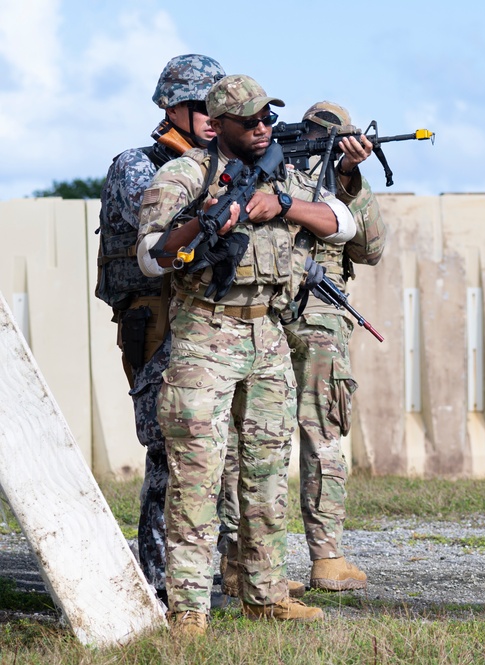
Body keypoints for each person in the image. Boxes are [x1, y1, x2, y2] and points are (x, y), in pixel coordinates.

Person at [136, 74, 357, 636]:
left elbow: (342, 223)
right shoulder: (182, 176)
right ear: (220, 126)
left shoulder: (284, 173)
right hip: (205, 337)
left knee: (264, 474)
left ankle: (265, 594)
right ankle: (188, 610)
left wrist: (280, 205)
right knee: (198, 477)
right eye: (250, 122)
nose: (263, 130)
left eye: (266, 120)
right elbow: (151, 256)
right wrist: (211, 219)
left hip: (268, 338)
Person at [217, 101, 384, 594]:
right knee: (307, 434)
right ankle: (312, 558)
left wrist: (350, 180)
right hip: (283, 312)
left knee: (264, 434)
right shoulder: (269, 168)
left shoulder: (332, 177)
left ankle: (254, 561)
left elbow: (370, 247)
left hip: (294, 312)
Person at [95, 53, 225, 602]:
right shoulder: (138, 164)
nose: (216, 117)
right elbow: (169, 230)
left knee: (213, 449)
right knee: (169, 452)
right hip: (153, 318)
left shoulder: (216, 163)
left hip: (200, 320)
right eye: (204, 106)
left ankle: (211, 570)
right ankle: (157, 574)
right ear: (174, 107)